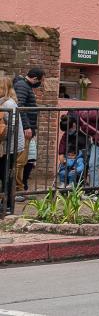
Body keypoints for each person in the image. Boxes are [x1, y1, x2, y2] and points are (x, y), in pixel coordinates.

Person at [13, 68, 42, 202]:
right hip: (24, 129)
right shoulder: (22, 86)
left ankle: (20, 189)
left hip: (26, 128)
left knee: (23, 160)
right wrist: (27, 126)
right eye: (41, 80)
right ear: (35, 78)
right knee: (20, 161)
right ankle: (17, 190)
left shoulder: (24, 86)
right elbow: (21, 106)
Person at [0, 76, 26, 211]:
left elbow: (13, 126)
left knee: (6, 174)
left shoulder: (9, 104)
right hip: (6, 145)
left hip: (10, 146)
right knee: (4, 173)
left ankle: (7, 205)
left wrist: (2, 139)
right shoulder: (3, 102)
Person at [57, 114, 88, 188]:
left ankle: (73, 183)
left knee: (75, 172)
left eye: (69, 130)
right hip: (67, 158)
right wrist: (61, 154)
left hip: (77, 157)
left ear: (74, 125)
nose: (68, 132)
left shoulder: (82, 134)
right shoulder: (66, 135)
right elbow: (62, 144)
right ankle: (62, 182)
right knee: (62, 172)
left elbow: (84, 147)